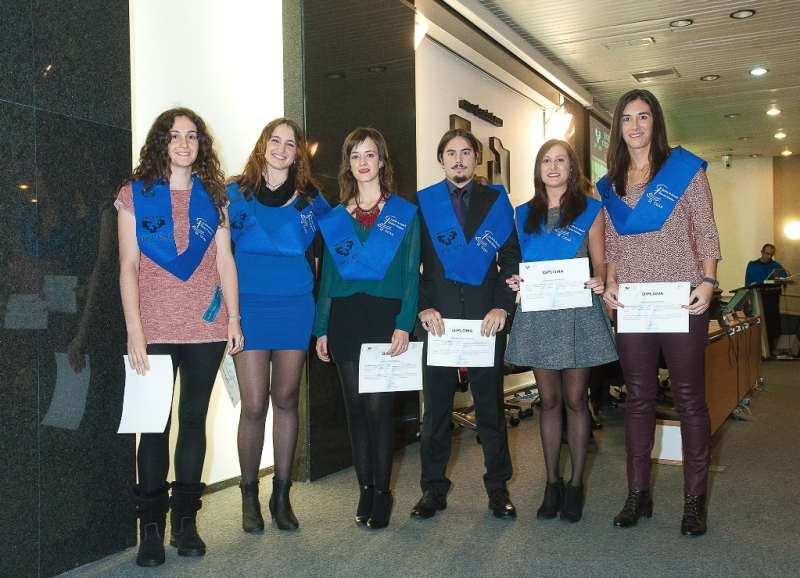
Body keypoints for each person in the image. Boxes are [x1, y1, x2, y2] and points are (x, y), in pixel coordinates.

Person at [116, 107, 244, 566]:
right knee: (153, 426)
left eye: (192, 136)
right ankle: (150, 529)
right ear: (161, 142)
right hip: (153, 329)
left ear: (200, 145)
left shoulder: (215, 196)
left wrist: (234, 319)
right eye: (175, 136)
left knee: (193, 421)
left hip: (205, 328)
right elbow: (128, 264)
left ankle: (185, 523)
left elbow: (225, 260)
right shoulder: (134, 194)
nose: (184, 143)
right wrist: (134, 330)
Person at [598, 89, 721, 536]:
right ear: (618, 127)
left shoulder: (683, 171)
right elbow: (612, 245)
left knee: (688, 399)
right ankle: (638, 494)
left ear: (656, 122)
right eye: (627, 118)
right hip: (634, 304)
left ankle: (694, 500)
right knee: (638, 399)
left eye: (643, 116)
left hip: (683, 299)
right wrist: (611, 283)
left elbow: (706, 229)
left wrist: (708, 281)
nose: (635, 125)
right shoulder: (610, 184)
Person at [505, 140, 618, 523]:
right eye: (546, 161)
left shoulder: (590, 210)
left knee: (575, 400)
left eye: (560, 160)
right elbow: (517, 262)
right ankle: (551, 483)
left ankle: (576, 484)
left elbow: (601, 262)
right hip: (540, 313)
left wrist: (600, 280)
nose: (553, 166)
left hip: (577, 313)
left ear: (572, 168)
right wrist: (515, 279)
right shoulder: (523, 213)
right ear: (538, 169)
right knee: (549, 400)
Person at [314, 127, 420, 530]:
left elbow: (410, 274)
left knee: (378, 409)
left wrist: (404, 324)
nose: (363, 162)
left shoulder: (404, 214)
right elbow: (327, 278)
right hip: (345, 317)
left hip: (384, 318)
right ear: (348, 164)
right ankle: (365, 487)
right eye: (355, 155)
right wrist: (321, 328)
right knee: (355, 408)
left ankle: (384, 491)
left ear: (382, 161)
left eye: (370, 154)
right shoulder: (336, 218)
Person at [226, 118, 329, 532]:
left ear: (298, 153)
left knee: (286, 399)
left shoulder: (312, 200)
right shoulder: (234, 194)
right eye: (275, 140)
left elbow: (323, 259)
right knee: (254, 404)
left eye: (290, 143)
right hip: (248, 307)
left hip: (294, 305)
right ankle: (249, 495)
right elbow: (218, 254)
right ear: (262, 145)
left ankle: (281, 496)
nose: (282, 149)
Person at [413, 128, 520, 520]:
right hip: (437, 321)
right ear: (440, 159)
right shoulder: (423, 204)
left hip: (484, 320)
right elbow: (409, 265)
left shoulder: (496, 202)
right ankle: (433, 490)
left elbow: (511, 260)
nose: (458, 160)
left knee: (490, 408)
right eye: (451, 153)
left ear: (477, 158)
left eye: (466, 153)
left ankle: (498, 489)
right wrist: (422, 308)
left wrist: (502, 308)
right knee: (436, 412)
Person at [745, 243, 787, 355]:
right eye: (767, 254)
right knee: (761, 322)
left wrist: (780, 280)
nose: (768, 257)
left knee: (772, 323)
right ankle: (760, 351)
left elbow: (784, 277)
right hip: (759, 298)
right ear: (761, 252)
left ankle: (771, 350)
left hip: (772, 298)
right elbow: (749, 282)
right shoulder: (753, 265)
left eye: (771, 255)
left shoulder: (776, 265)